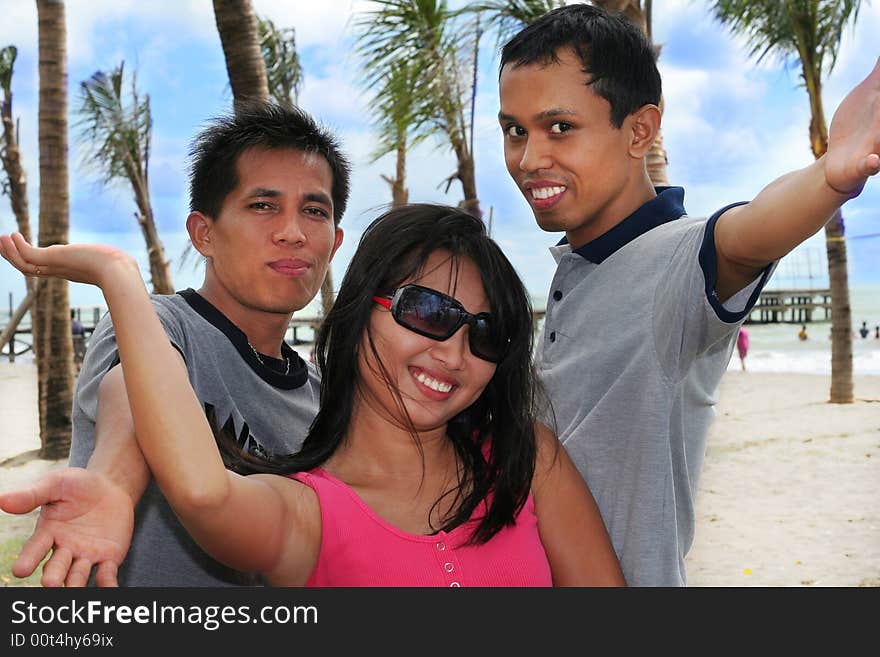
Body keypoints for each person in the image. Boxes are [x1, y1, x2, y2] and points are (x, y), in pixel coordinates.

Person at [0, 205, 626, 586]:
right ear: (360, 313)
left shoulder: (526, 459)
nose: (455, 353)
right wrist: (119, 280)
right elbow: (199, 488)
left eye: (488, 334)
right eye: (430, 311)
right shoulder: (305, 512)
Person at [497, 4, 879, 585]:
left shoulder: (673, 261)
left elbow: (744, 237)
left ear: (640, 131)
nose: (529, 158)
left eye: (560, 128)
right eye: (514, 130)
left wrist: (828, 176)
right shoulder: (581, 264)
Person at [0, 102, 351, 587]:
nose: (292, 233)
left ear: (333, 243)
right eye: (263, 206)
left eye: (313, 211)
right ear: (203, 233)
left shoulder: (323, 399)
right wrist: (112, 484)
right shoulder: (161, 325)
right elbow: (129, 393)